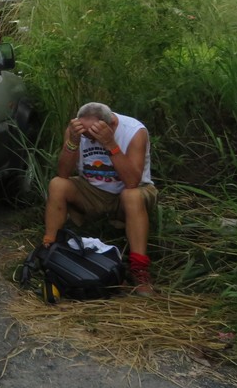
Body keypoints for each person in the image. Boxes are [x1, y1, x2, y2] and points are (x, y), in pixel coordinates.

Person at [42, 101, 158, 296]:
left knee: (131, 195)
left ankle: (139, 269)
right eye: (86, 134)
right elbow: (63, 173)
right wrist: (72, 142)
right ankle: (50, 250)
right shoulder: (76, 131)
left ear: (110, 124)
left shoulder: (134, 131)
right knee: (57, 184)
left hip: (131, 192)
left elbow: (132, 181)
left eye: (93, 134)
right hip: (93, 191)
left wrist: (110, 144)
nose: (89, 138)